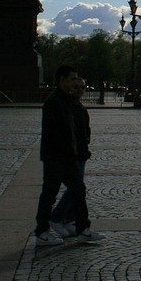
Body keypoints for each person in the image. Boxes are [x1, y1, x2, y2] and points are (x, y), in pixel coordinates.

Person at [35, 65, 95, 245]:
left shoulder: (67, 101)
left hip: (68, 156)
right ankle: (41, 232)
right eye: (72, 79)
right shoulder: (53, 102)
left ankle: (83, 229)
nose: (74, 82)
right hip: (56, 157)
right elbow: (55, 132)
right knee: (49, 194)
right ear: (62, 80)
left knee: (78, 190)